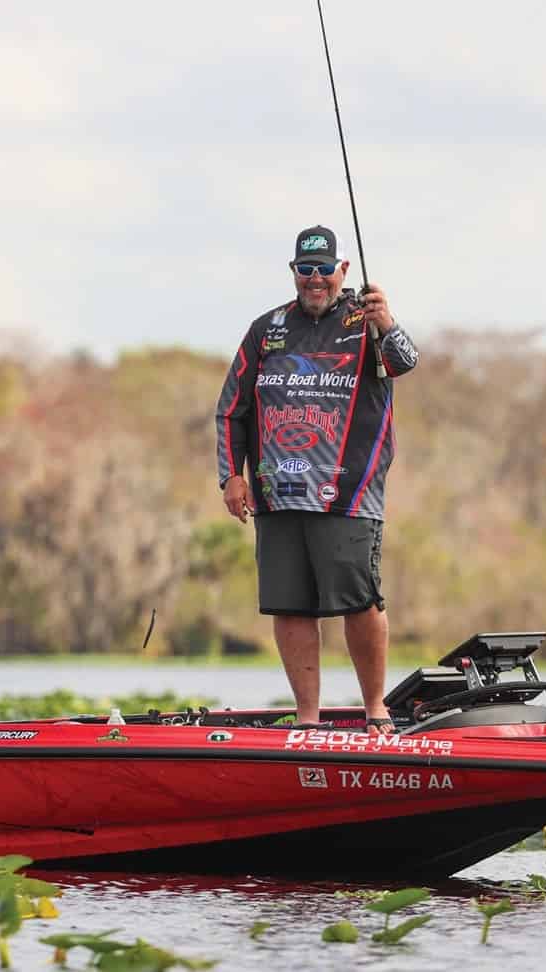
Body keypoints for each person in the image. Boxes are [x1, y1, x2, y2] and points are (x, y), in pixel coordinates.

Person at [215, 225, 418, 733]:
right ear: (293, 272)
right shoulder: (265, 329)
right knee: (290, 607)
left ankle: (376, 711)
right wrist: (231, 477)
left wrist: (387, 323)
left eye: (324, 269)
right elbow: (231, 410)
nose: (315, 279)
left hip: (348, 495)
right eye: (304, 269)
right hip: (276, 494)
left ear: (342, 270)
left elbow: (404, 362)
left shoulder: (366, 321)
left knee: (361, 602)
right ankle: (307, 719)